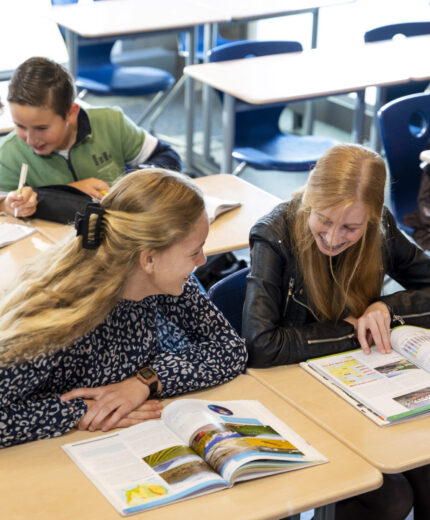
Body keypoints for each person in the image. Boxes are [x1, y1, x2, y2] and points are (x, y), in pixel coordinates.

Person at [243, 143, 430, 520]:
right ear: (309, 202)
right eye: (324, 220)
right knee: (389, 499)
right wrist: (353, 331)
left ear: (373, 217)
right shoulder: (273, 234)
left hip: (362, 383)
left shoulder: (381, 228)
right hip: (294, 394)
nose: (332, 237)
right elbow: (260, 345)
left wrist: (386, 307)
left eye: (350, 227)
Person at [0, 169, 247, 448]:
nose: (202, 261)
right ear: (149, 259)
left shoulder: (163, 283)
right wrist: (77, 412)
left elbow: (229, 348)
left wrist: (145, 382)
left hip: (118, 440)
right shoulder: (56, 316)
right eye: (194, 252)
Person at [0, 56, 182, 220]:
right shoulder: (9, 153)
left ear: (71, 113)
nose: (31, 139)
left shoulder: (111, 122)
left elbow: (167, 157)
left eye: (42, 128)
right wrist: (7, 205)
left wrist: (133, 182)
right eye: (20, 126)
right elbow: (2, 205)